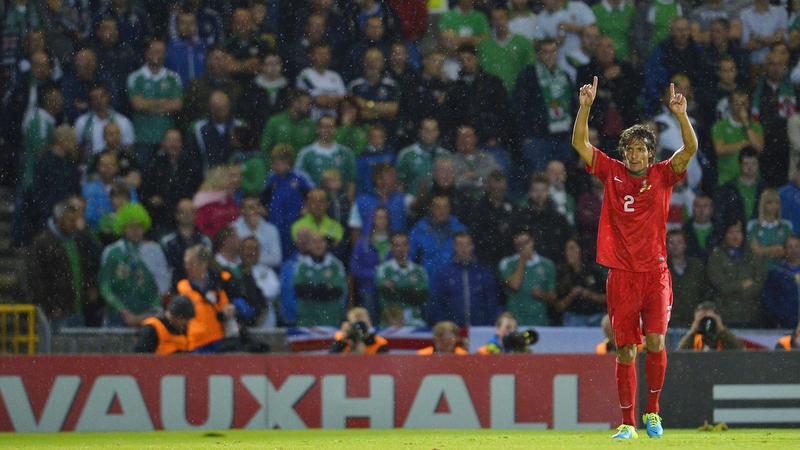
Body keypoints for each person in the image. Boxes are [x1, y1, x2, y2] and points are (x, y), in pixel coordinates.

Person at [572, 76, 699, 439]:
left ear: (650, 153)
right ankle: (627, 422)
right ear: (624, 153)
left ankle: (652, 413)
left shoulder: (662, 176)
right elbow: (580, 142)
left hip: (655, 274)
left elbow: (689, 148)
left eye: (641, 149)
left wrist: (681, 116)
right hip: (622, 276)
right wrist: (585, 107)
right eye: (630, 149)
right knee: (626, 349)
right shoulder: (611, 172)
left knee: (656, 342)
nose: (635, 155)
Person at [26, 198, 100, 331]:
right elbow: (35, 279)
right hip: (57, 312)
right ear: (59, 219)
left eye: (76, 221)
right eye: (70, 221)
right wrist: (50, 307)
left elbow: (87, 267)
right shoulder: (42, 243)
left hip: (77, 308)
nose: (74, 225)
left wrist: (90, 286)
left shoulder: (79, 240)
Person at [429, 232, 499, 327]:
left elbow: (491, 302)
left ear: (472, 246)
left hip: (480, 328)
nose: (463, 249)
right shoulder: (444, 274)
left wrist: (490, 324)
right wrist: (441, 325)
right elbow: (437, 302)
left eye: (467, 245)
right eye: (460, 245)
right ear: (454, 247)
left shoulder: (484, 273)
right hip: (452, 330)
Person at [706, 220, 765, 328]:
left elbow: (759, 283)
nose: (735, 236)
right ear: (724, 236)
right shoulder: (716, 258)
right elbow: (721, 286)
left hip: (750, 314)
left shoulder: (754, 257)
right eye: (731, 232)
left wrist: (735, 289)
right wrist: (742, 284)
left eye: (738, 232)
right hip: (724, 315)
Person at [499, 231, 557, 327]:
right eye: (519, 244)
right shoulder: (507, 263)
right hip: (516, 322)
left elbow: (553, 297)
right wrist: (522, 260)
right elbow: (514, 285)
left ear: (532, 241)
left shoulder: (547, 265)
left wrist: (541, 294)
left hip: (540, 321)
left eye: (526, 242)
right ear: (515, 247)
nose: (524, 247)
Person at [374, 232, 430, 327]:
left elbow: (421, 297)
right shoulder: (383, 269)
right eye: (397, 245)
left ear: (409, 246)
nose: (401, 249)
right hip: (390, 320)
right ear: (391, 248)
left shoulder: (419, 271)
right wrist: (411, 291)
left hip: (415, 320)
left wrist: (396, 289)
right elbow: (386, 294)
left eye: (404, 245)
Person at [666, 229, 708, 329]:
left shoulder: (696, 266)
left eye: (679, 242)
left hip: (693, 321)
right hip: (669, 322)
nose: (675, 246)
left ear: (685, 245)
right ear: (666, 245)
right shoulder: (661, 268)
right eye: (671, 242)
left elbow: (705, 291)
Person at [747, 189, 793, 272]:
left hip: (782, 272)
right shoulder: (753, 226)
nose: (774, 206)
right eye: (770, 203)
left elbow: (790, 251)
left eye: (777, 203)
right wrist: (776, 249)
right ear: (763, 205)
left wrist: (764, 251)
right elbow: (755, 251)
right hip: (759, 271)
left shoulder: (786, 226)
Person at [761, 235, 800, 330]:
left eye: (797, 246)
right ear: (784, 250)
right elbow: (768, 300)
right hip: (785, 326)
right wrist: (778, 318)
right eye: (789, 247)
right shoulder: (776, 273)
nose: (793, 250)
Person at [676, 302, 745, 351]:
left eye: (710, 319)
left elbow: (740, 350)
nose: (706, 322)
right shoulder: (695, 337)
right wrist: (692, 332)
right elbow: (680, 353)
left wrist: (722, 330)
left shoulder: (723, 337)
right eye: (702, 319)